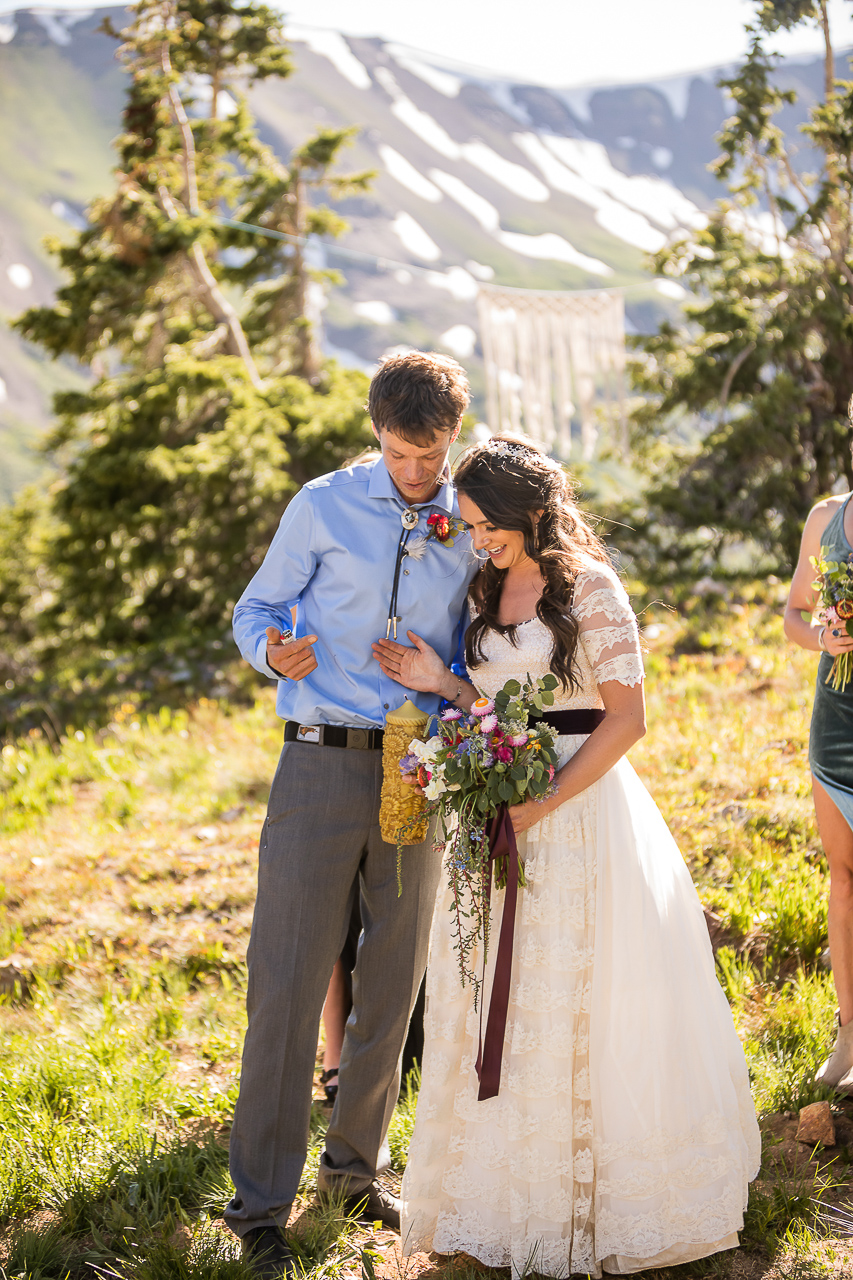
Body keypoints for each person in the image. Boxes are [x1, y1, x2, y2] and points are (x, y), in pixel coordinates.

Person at [373, 437, 760, 1278]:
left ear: (530, 512)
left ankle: (597, 1199)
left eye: (486, 525)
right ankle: (507, 1196)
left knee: (584, 994)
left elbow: (626, 718)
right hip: (498, 815)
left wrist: (543, 801)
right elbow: (499, 702)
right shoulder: (484, 585)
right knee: (497, 1001)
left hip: (581, 816)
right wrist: (444, 688)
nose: (477, 540)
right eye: (469, 527)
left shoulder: (591, 586)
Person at [226, 352, 476, 1278]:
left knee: (392, 980)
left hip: (418, 768)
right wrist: (272, 652)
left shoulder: (471, 510)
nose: (419, 473)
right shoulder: (321, 504)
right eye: (403, 455)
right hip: (319, 762)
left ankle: (353, 1172)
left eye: (433, 455)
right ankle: (258, 1206)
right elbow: (255, 608)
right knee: (285, 982)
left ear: (455, 435)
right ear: (375, 432)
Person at [784, 472, 853, 1091]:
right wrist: (824, 638)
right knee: (843, 875)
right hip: (836, 725)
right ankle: (850, 1034)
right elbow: (794, 616)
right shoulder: (826, 519)